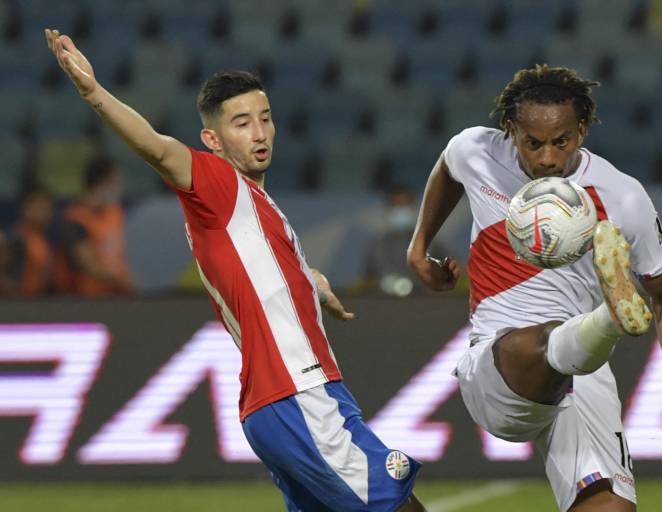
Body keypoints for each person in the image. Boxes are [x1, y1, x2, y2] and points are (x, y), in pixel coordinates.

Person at [45, 29, 425, 512]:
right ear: (213, 140)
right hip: (296, 394)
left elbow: (257, 272)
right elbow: (158, 150)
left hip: (282, 402)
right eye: (242, 123)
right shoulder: (217, 183)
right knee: (400, 507)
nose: (260, 132)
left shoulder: (253, 205)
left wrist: (311, 280)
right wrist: (94, 94)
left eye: (265, 119)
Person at [407, 64, 662, 512]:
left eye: (562, 141)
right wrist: (418, 249)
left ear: (583, 130)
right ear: (511, 129)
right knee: (540, 340)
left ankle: (605, 320)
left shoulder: (621, 195)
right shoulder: (476, 150)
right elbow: (448, 168)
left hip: (584, 374)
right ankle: (611, 317)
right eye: (533, 143)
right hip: (497, 362)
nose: (548, 158)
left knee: (609, 506)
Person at [53, 156, 135, 296]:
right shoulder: (75, 219)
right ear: (101, 183)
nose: (119, 188)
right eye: (115, 182)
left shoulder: (115, 213)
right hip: (87, 300)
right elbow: (88, 265)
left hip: (117, 296)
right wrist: (121, 281)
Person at [362, 185, 445, 296]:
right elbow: (366, 280)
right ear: (388, 209)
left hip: (424, 302)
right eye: (396, 206)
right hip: (385, 303)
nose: (401, 211)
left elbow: (451, 273)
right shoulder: (377, 245)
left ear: (415, 208)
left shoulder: (431, 242)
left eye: (405, 206)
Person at [7, 188, 55, 296]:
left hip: (39, 301)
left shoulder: (44, 239)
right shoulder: (15, 239)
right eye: (39, 207)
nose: (44, 212)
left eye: (48, 208)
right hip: (20, 303)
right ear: (25, 208)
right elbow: (8, 279)